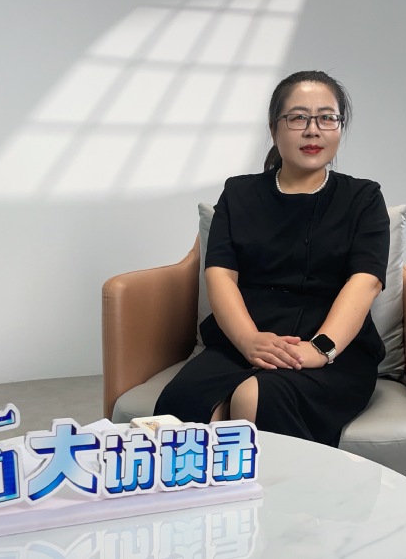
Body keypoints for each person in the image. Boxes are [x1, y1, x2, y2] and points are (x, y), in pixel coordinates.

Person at [153, 70, 390, 447]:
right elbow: (220, 275)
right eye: (298, 117)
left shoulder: (363, 198)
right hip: (245, 337)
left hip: (334, 348)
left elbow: (366, 281)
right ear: (273, 127)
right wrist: (248, 340)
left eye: (327, 118)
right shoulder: (239, 193)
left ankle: (285, 488)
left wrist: (320, 349)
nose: (313, 130)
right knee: (185, 407)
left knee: (256, 397)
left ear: (339, 127)